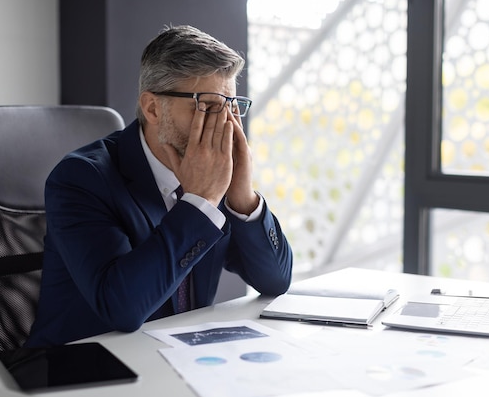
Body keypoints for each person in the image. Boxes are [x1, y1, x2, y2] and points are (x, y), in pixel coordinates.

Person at [25, 25, 293, 347]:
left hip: (177, 358)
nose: (224, 123)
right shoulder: (81, 179)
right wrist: (199, 201)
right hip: (83, 370)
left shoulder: (217, 177)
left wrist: (242, 195)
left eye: (231, 106)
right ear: (153, 108)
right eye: (207, 106)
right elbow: (122, 309)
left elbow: (274, 280)